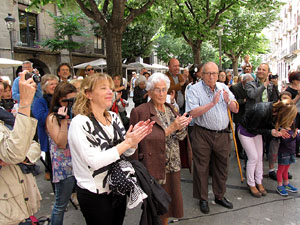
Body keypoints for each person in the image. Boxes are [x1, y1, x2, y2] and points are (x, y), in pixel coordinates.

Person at [68, 73, 154, 225]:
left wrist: (134, 140)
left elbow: (125, 153)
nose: (110, 92)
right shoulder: (80, 123)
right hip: (95, 194)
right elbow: (94, 161)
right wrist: (127, 143)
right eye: (103, 88)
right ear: (88, 94)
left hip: (117, 188)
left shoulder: (113, 117)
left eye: (111, 88)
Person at [130, 72, 192, 225]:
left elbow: (181, 137)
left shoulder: (170, 108)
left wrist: (182, 126)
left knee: (168, 204)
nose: (161, 93)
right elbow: (142, 141)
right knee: (154, 206)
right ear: (149, 92)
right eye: (157, 89)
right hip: (155, 166)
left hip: (172, 164)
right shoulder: (140, 111)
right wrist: (171, 128)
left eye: (164, 89)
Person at [186, 62, 238, 214]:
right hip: (202, 133)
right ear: (202, 74)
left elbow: (235, 108)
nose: (211, 76)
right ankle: (203, 199)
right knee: (202, 167)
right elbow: (192, 113)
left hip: (222, 134)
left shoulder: (223, 87)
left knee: (222, 166)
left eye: (214, 73)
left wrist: (229, 101)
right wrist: (212, 103)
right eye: (208, 73)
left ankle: (219, 196)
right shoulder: (193, 89)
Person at [0, 70, 42, 224]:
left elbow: (33, 144)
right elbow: (14, 152)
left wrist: (23, 157)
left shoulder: (5, 115)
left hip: (19, 198)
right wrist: (24, 103)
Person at [238, 99, 296, 198]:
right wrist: (271, 132)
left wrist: (278, 131)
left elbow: (268, 126)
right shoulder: (262, 110)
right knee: (253, 158)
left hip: (257, 132)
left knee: (259, 158)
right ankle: (251, 183)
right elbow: (252, 128)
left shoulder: (274, 111)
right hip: (246, 132)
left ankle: (259, 181)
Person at [46, 82, 77, 225]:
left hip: (79, 165)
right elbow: (61, 143)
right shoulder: (52, 118)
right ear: (58, 100)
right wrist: (63, 122)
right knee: (60, 205)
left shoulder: (77, 116)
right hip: (64, 168)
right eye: (66, 101)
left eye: (73, 101)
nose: (70, 105)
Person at [32, 74, 59, 181]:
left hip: (62, 135)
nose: (55, 86)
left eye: (56, 84)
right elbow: (41, 119)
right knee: (50, 159)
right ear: (44, 87)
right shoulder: (39, 102)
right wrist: (53, 109)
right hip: (48, 136)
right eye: (51, 84)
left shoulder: (62, 99)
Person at [230, 74, 254, 160]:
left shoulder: (253, 87)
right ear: (243, 82)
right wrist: (243, 101)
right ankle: (239, 151)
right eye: (248, 83)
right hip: (239, 114)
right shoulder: (235, 88)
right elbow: (232, 101)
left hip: (249, 114)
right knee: (239, 133)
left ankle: (246, 150)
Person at [276, 117, 299, 196]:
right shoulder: (283, 131)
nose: (291, 121)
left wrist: (296, 135)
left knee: (286, 169)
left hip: (291, 152)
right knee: (281, 170)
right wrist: (293, 136)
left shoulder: (292, 129)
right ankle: (279, 185)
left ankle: (286, 184)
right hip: (284, 153)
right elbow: (286, 141)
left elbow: (297, 140)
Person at [285, 71, 300, 157]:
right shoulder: (289, 90)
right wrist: (298, 95)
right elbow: (290, 103)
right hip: (294, 112)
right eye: (297, 79)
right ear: (293, 80)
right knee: (294, 130)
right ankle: (295, 150)